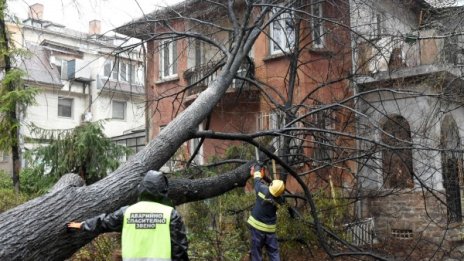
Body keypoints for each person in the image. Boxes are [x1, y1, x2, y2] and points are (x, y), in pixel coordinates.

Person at [66, 170, 189, 261]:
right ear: (163, 191)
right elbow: (179, 249)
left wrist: (82, 224)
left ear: (141, 189)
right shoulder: (170, 214)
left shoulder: (127, 212)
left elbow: (105, 222)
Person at [247, 163, 285, 261]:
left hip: (256, 229)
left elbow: (256, 180)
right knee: (274, 253)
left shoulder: (263, 190)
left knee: (256, 253)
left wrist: (257, 168)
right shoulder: (280, 200)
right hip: (270, 231)